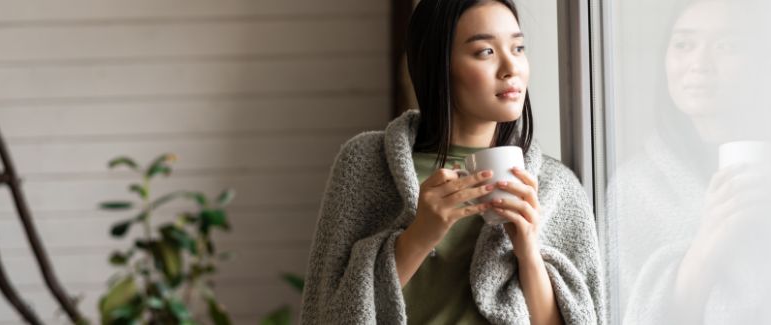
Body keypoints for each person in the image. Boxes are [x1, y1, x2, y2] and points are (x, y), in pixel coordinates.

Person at [300, 0, 605, 324]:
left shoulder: (556, 187)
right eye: (485, 52)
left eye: (518, 47)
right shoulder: (365, 165)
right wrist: (418, 237)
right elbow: (327, 315)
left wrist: (528, 251)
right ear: (439, 64)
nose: (510, 67)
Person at [610, 0, 771, 323]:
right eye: (684, 44)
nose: (700, 63)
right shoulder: (635, 188)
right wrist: (709, 244)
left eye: (726, 45)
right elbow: (630, 313)